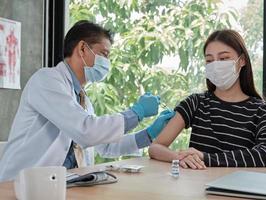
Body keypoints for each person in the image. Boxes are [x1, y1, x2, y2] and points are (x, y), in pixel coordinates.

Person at [0, 20, 175, 182]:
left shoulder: (81, 99)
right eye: (104, 54)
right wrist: (137, 113)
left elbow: (104, 146)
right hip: (21, 186)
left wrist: (149, 134)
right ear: (82, 48)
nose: (107, 63)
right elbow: (87, 131)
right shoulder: (46, 80)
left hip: (61, 183)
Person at [149, 29, 266, 169]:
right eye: (209, 60)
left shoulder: (262, 110)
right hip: (199, 188)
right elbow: (156, 147)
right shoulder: (196, 103)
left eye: (223, 58)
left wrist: (206, 158)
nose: (216, 65)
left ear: (242, 60)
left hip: (239, 189)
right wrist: (180, 158)